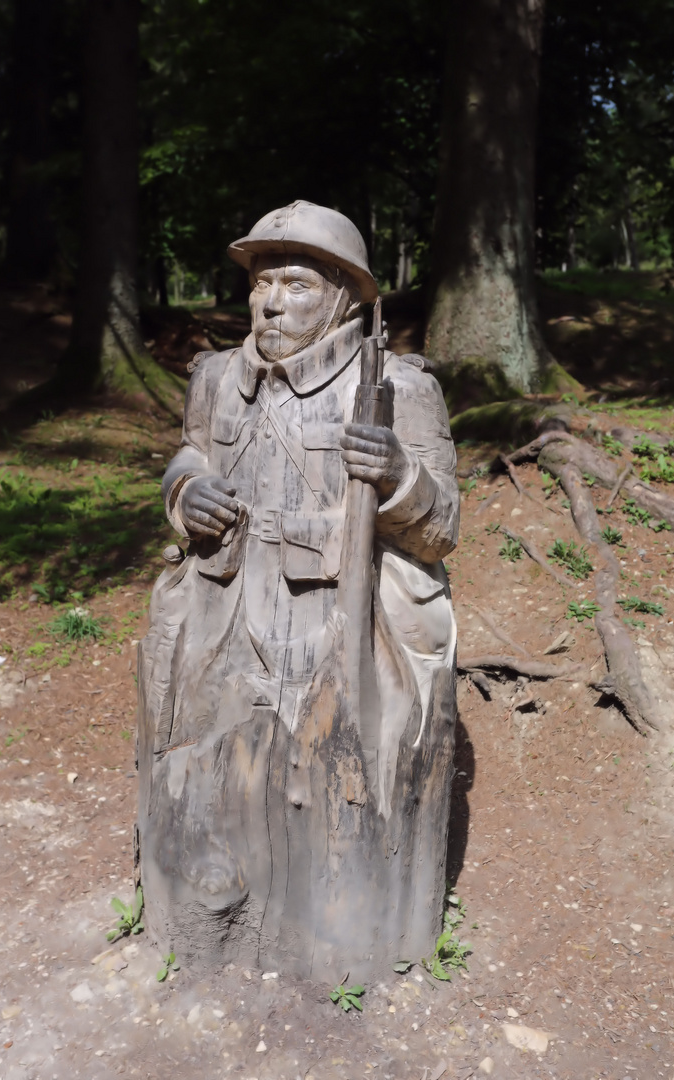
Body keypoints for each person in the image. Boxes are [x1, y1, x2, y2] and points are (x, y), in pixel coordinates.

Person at [137, 201, 459, 974]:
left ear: (346, 294)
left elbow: (443, 526)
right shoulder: (217, 377)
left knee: (344, 782)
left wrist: (399, 478)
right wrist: (187, 494)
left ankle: (345, 948)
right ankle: (205, 916)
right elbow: (187, 456)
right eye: (260, 282)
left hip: (338, 633)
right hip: (227, 620)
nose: (271, 301)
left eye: (295, 284)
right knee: (205, 776)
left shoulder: (399, 389)